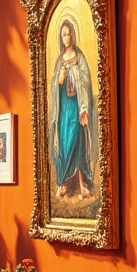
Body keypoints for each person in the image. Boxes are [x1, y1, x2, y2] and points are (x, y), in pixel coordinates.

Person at [50, 18, 97, 200]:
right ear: (60, 38)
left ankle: (81, 185)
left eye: (68, 34)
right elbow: (56, 86)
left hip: (77, 108)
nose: (66, 38)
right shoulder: (59, 61)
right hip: (64, 110)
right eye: (63, 35)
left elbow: (86, 81)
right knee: (65, 144)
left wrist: (72, 74)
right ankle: (64, 182)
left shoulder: (79, 57)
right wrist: (60, 79)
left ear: (73, 36)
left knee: (76, 143)